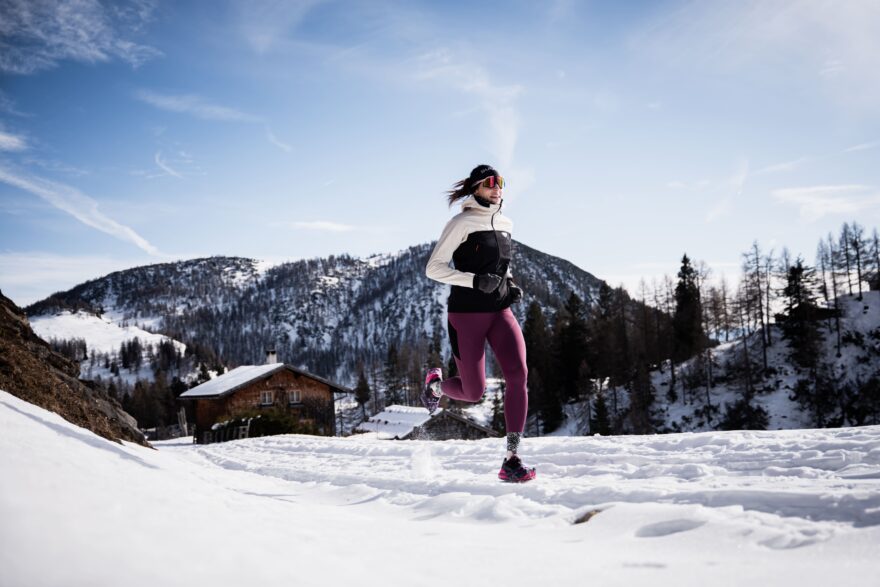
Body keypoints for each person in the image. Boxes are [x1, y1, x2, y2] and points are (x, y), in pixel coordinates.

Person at [423, 164, 536, 483]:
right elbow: (434, 268)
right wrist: (474, 281)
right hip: (467, 314)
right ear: (475, 188)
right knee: (473, 392)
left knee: (518, 375)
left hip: (501, 312)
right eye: (489, 183)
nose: (497, 187)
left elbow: (501, 266)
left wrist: (509, 283)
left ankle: (512, 458)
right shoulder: (460, 222)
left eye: (500, 182)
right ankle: (434, 384)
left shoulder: (505, 222)